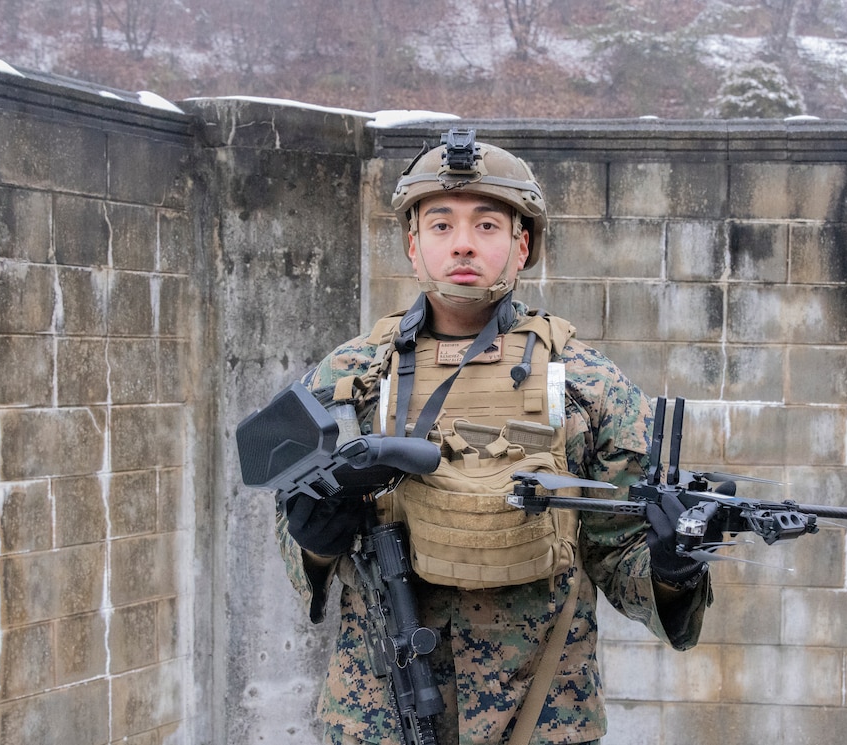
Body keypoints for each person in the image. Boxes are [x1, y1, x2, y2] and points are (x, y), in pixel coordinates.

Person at [274, 128, 713, 745]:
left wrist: (674, 564)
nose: (463, 244)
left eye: (486, 226)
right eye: (441, 224)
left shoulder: (584, 383)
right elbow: (295, 538)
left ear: (520, 243)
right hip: (381, 709)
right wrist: (313, 538)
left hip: (540, 711)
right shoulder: (350, 377)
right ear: (412, 244)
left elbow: (620, 552)